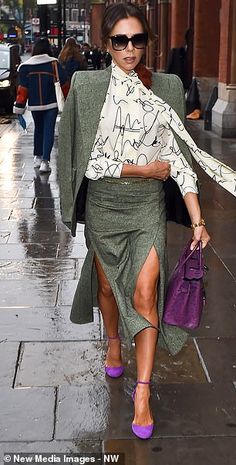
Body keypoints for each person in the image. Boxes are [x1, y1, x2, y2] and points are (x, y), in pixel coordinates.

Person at [58, 3, 236, 440]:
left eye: (138, 39)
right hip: (104, 207)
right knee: (105, 286)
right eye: (121, 40)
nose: (130, 48)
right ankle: (114, 341)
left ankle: (142, 391)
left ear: (148, 43)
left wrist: (197, 220)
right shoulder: (87, 86)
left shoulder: (167, 88)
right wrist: (142, 169)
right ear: (107, 44)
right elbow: (90, 161)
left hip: (147, 209)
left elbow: (176, 159)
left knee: (143, 292)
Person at [13, 38, 69, 174]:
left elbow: (22, 89)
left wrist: (19, 107)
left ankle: (37, 157)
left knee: (38, 129)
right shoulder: (53, 63)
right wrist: (68, 99)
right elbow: (65, 83)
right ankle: (45, 161)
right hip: (51, 103)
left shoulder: (25, 67)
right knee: (49, 130)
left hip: (35, 104)